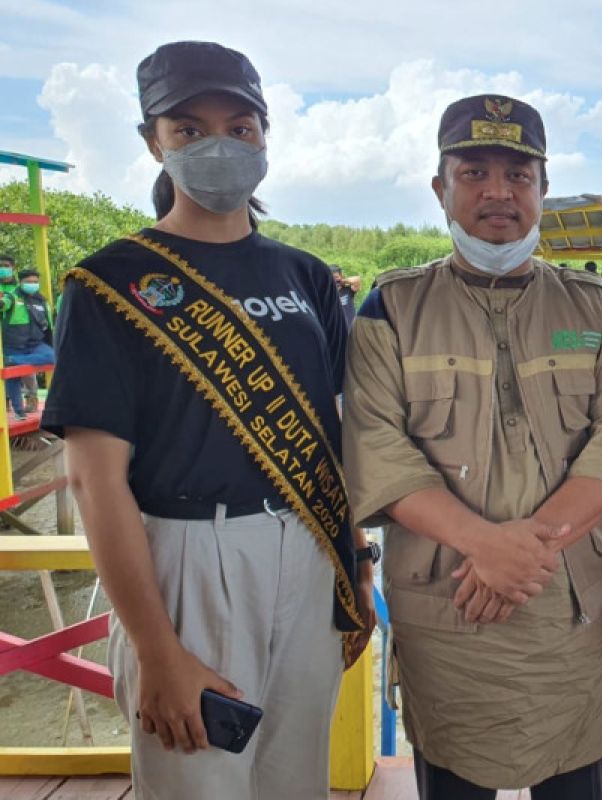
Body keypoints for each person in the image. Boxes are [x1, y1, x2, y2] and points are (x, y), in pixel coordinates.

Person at [42, 41, 374, 800]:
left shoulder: (306, 276)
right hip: (189, 560)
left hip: (309, 544)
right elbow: (97, 484)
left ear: (264, 135)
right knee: (199, 779)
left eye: (240, 125)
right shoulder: (109, 284)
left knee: (297, 780)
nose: (219, 144)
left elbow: (332, 433)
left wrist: (356, 569)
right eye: (189, 128)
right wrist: (157, 653)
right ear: (152, 140)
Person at [342, 93, 602, 800]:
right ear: (439, 187)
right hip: (453, 611)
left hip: (568, 613)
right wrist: (481, 543)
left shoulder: (591, 308)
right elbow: (376, 447)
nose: (498, 193)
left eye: (518, 174)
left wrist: (518, 549)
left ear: (543, 188)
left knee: (576, 774)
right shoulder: (392, 309)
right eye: (474, 172)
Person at [2, 268, 54, 418]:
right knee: (13, 378)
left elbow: (48, 325)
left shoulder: (42, 300)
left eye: (35, 282)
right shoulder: (13, 297)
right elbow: (4, 303)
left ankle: (13, 361)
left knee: (53, 356)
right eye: (29, 282)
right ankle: (19, 411)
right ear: (21, 282)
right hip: (14, 344)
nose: (32, 284)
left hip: (34, 345)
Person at [330, 264, 361, 329]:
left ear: (341, 276)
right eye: (332, 278)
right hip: (336, 330)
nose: (334, 280)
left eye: (336, 277)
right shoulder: (327, 293)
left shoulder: (348, 290)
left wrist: (342, 281)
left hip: (351, 329)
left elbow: (357, 279)